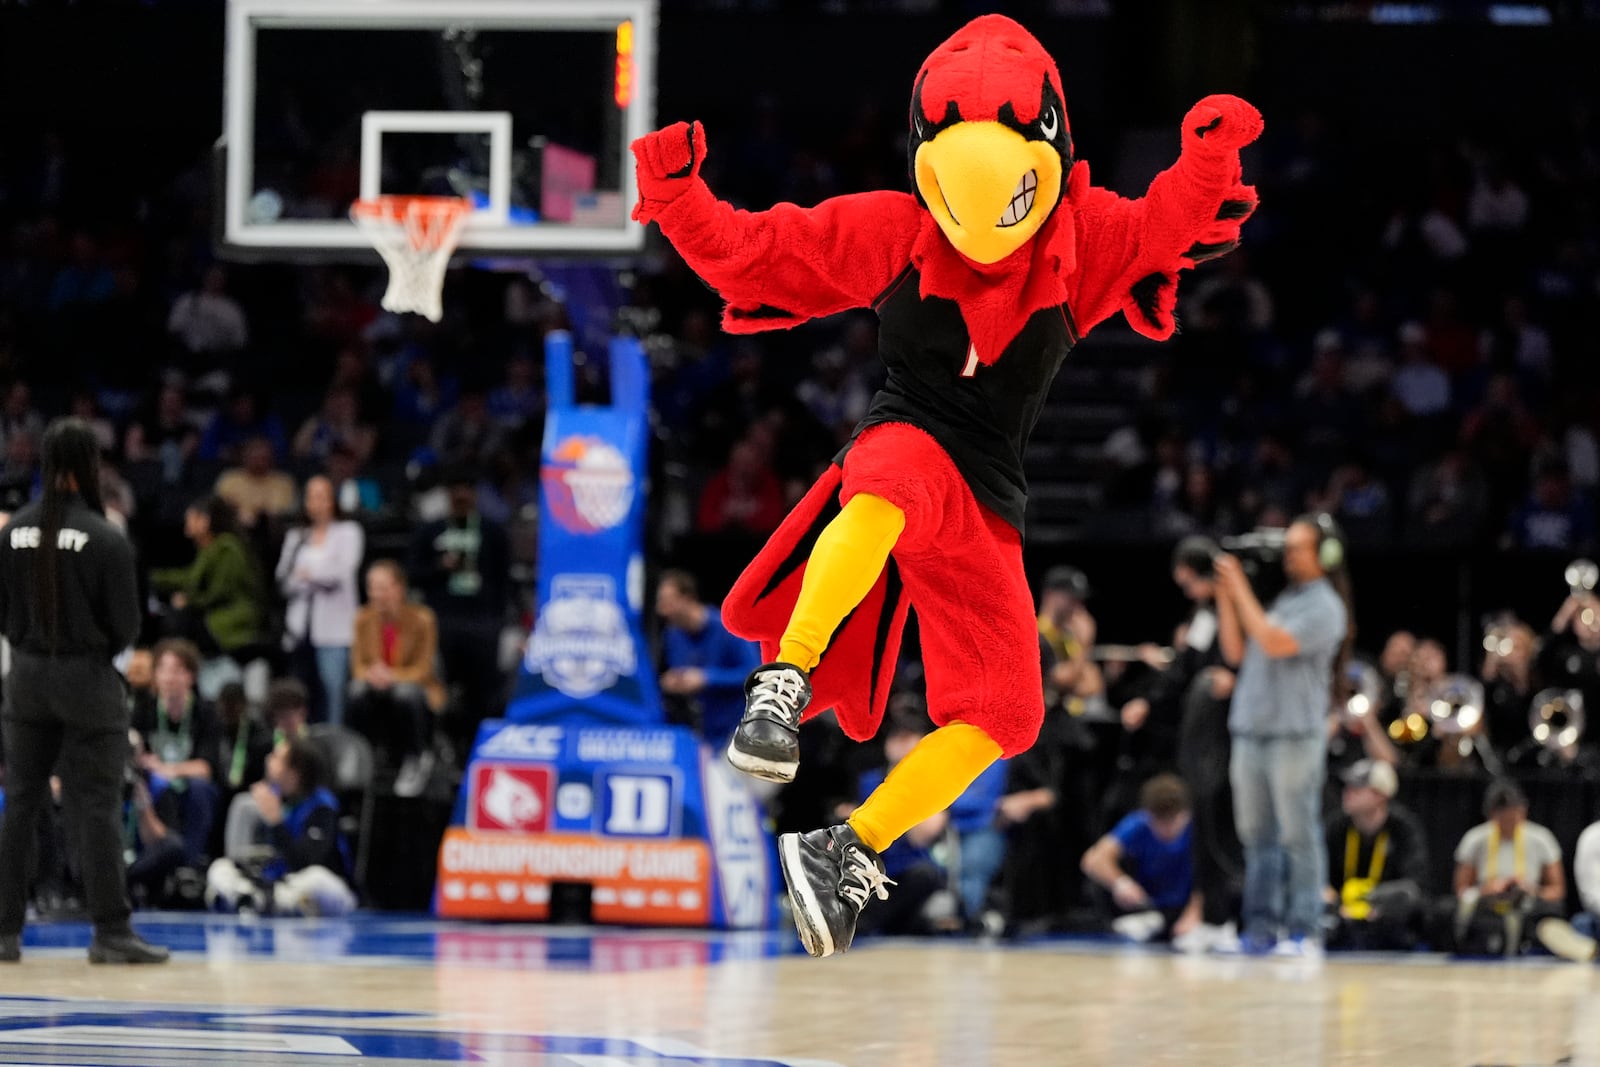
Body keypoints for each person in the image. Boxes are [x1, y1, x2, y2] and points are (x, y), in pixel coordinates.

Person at [635, 13, 1260, 958]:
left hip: (989, 497)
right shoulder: (895, 229)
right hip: (907, 440)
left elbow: (1166, 224)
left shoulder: (1080, 243)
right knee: (883, 482)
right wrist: (677, 197)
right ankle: (784, 677)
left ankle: (848, 845)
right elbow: (760, 253)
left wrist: (1208, 161)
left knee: (1007, 711)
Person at [0, 417, 168, 963]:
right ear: (87, 467)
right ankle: (111, 932)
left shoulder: (12, 531)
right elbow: (126, 626)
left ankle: (4, 933)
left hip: (24, 676)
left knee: (20, 803)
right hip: (86, 678)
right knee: (94, 804)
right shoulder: (103, 536)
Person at [1215, 514, 1352, 957]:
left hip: (1294, 733)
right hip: (1252, 728)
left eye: (1298, 548)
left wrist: (1241, 592)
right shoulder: (1281, 599)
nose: (1287, 556)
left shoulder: (1325, 606)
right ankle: (1259, 929)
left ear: (1325, 556)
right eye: (1287, 548)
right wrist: (1225, 597)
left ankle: (1304, 930)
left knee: (1297, 834)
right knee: (1256, 835)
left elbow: (1274, 642)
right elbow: (1236, 651)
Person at [206, 736, 355, 917]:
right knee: (220, 868)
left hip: (315, 886)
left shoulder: (322, 807)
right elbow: (241, 858)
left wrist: (276, 822)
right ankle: (252, 898)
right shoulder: (276, 801)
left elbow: (306, 863)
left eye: (276, 757)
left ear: (294, 772)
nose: (268, 759)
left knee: (316, 879)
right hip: (275, 884)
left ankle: (263, 901)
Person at [408, 466, 509, 727]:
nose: (462, 494)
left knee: (483, 691)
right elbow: (412, 573)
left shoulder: (492, 532)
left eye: (467, 489)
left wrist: (497, 619)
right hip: (442, 622)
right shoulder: (430, 531)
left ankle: (477, 743)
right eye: (456, 489)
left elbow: (504, 578)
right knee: (439, 688)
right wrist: (439, 568)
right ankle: (442, 745)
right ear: (447, 493)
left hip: (482, 624)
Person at [349, 561, 446, 797]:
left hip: (416, 686)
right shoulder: (363, 618)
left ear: (399, 588)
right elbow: (358, 665)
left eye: (383, 587)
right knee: (356, 690)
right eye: (372, 588)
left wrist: (392, 675)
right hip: (377, 685)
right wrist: (372, 674)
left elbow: (424, 668)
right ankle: (366, 755)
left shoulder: (423, 618)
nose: (377, 594)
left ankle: (416, 757)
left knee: (405, 693)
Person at [276, 475, 365, 726]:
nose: (317, 503)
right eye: (311, 497)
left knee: (333, 691)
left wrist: (307, 574)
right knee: (300, 693)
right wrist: (314, 575)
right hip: (299, 628)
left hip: (334, 630)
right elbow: (284, 579)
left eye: (322, 496)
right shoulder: (297, 535)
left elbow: (341, 573)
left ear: (332, 501)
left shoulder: (348, 532)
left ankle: (336, 746)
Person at [131, 639, 222, 867]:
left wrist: (168, 769)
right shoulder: (143, 709)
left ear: (191, 676)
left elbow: (206, 768)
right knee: (147, 786)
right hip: (153, 784)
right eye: (163, 670)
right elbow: (135, 755)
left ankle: (189, 864)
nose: (169, 678)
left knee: (200, 790)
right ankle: (148, 861)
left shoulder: (206, 711)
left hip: (189, 785)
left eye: (177, 671)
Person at [1079, 774, 1200, 943]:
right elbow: (1093, 859)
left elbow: (1210, 877)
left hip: (1186, 909)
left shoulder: (1197, 829)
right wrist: (1121, 883)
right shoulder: (1138, 824)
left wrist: (1195, 913)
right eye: (1159, 821)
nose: (1166, 829)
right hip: (1148, 909)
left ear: (1185, 814)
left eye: (1172, 821)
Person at [1323, 759, 1430, 951]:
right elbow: (1322, 877)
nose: (1348, 793)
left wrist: (1377, 902)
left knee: (1409, 901)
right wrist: (1334, 901)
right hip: (1343, 912)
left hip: (1384, 912)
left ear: (1381, 795)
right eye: (1347, 787)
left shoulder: (1404, 829)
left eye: (1358, 788)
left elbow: (1414, 882)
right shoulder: (1336, 827)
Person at [1452, 778, 1566, 957]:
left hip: (1528, 906)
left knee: (1551, 910)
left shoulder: (1541, 838)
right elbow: (1462, 891)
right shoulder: (1475, 839)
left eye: (1516, 814)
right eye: (1504, 817)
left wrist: (1531, 889)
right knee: (1451, 909)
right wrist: (1486, 889)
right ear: (1492, 814)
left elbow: (1557, 891)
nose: (1511, 821)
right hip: (1487, 906)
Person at [151, 495, 267, 663]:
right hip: (215, 613)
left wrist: (189, 601)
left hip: (233, 619)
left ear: (205, 521)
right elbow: (189, 577)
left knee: (178, 621)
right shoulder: (208, 549)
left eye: (191, 517)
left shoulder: (228, 547)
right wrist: (153, 578)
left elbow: (221, 591)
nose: (186, 521)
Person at [656, 570, 762, 748]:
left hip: (741, 733)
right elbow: (682, 673)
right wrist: (674, 681)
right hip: (702, 735)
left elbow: (755, 674)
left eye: (668, 602)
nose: (662, 610)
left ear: (687, 598)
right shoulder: (672, 635)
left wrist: (707, 678)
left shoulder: (727, 628)